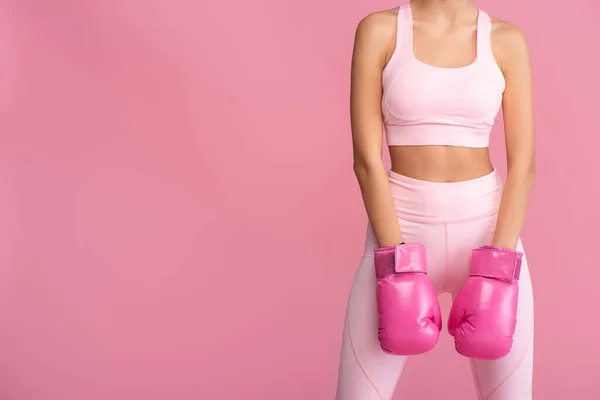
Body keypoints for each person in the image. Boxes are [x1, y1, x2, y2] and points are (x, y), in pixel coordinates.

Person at [335, 0, 535, 399]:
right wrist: (398, 268)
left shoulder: (506, 39)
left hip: (488, 232)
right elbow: (366, 162)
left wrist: (498, 269)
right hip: (400, 228)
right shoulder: (379, 30)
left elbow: (524, 167)